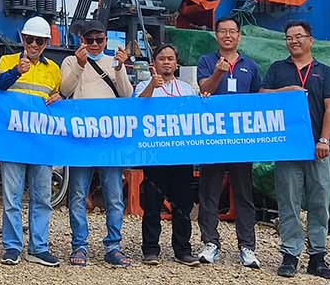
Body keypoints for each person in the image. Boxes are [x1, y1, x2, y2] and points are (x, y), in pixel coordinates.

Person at [262, 20, 330, 279]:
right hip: (287, 148)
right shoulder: (277, 69)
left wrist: (324, 140)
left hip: (317, 148)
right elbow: (262, 95)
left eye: (298, 36)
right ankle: (290, 254)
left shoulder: (324, 71)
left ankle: (318, 256)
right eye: (288, 37)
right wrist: (287, 91)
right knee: (289, 202)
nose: (293, 41)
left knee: (319, 202)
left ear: (310, 40)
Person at [0, 16, 63, 267]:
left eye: (39, 40)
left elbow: (57, 99)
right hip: (13, 142)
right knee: (12, 197)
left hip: (41, 144)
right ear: (22, 39)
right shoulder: (7, 61)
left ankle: (38, 247)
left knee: (42, 197)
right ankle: (12, 246)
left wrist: (60, 98)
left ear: (46, 43)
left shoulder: (53, 69)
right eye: (30, 39)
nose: (34, 44)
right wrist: (15, 72)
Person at [59, 20, 134, 267]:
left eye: (98, 40)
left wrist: (121, 68)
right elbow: (65, 90)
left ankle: (113, 246)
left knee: (114, 196)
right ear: (81, 40)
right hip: (81, 138)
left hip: (109, 139)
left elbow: (126, 95)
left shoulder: (114, 62)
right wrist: (80, 65)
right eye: (89, 40)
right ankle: (79, 245)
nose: (93, 45)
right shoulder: (70, 61)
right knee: (78, 194)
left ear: (105, 40)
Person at [194, 17, 263, 268]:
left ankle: (247, 247)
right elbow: (204, 91)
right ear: (216, 35)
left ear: (239, 36)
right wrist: (217, 73)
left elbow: (259, 102)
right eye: (222, 31)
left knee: (244, 195)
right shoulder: (206, 61)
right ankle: (210, 242)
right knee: (209, 192)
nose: (227, 35)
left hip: (241, 141)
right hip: (213, 139)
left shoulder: (251, 66)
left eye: (232, 31)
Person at [134, 44, 200, 267]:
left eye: (170, 58)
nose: (167, 62)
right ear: (155, 63)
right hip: (155, 154)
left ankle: (182, 249)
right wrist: (152, 86)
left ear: (176, 63)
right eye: (162, 58)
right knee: (152, 203)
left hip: (181, 155)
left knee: (183, 204)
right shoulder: (145, 84)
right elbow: (135, 109)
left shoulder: (187, 88)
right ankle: (150, 249)